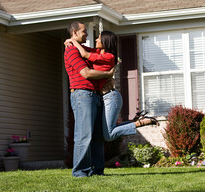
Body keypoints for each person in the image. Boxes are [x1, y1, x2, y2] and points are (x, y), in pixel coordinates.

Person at [65, 30, 159, 144]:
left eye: (99, 38)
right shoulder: (98, 53)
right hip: (103, 98)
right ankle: (137, 122)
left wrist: (73, 40)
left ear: (105, 41)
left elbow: (84, 54)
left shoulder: (109, 56)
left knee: (108, 135)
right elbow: (82, 49)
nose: (96, 40)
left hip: (110, 97)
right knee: (106, 132)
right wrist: (69, 41)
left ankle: (141, 122)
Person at [64, 22, 114, 177]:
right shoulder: (71, 51)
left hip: (95, 95)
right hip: (82, 95)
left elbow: (99, 53)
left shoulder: (83, 49)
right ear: (75, 32)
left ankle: (97, 170)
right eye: (84, 31)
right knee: (84, 135)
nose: (87, 34)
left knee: (98, 136)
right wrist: (108, 75)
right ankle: (80, 171)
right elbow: (86, 73)